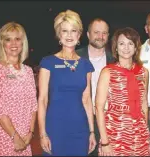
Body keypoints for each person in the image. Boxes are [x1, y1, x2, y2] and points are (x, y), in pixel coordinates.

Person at [38, 10, 96, 156]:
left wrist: (92, 132)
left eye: (73, 31)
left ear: (79, 35)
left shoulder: (85, 65)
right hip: (55, 127)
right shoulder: (48, 62)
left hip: (80, 128)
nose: (69, 35)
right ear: (59, 34)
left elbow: (87, 100)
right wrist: (42, 133)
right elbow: (42, 100)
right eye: (65, 31)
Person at [96, 27, 150, 156]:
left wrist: (145, 129)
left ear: (136, 47)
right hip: (115, 131)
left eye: (130, 43)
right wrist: (105, 141)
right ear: (116, 47)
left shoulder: (144, 72)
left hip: (139, 132)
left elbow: (144, 103)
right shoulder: (107, 72)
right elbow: (99, 108)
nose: (126, 48)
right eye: (121, 43)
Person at [0, 22, 38, 156]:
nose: (13, 43)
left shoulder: (29, 71)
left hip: (25, 138)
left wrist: (30, 134)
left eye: (17, 39)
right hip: (4, 137)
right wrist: (15, 137)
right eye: (8, 39)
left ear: (23, 42)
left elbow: (33, 105)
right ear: (2, 43)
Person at [76, 18, 114, 156]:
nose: (100, 36)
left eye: (104, 33)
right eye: (96, 32)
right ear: (88, 34)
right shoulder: (75, 57)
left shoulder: (115, 59)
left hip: (107, 120)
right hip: (81, 119)